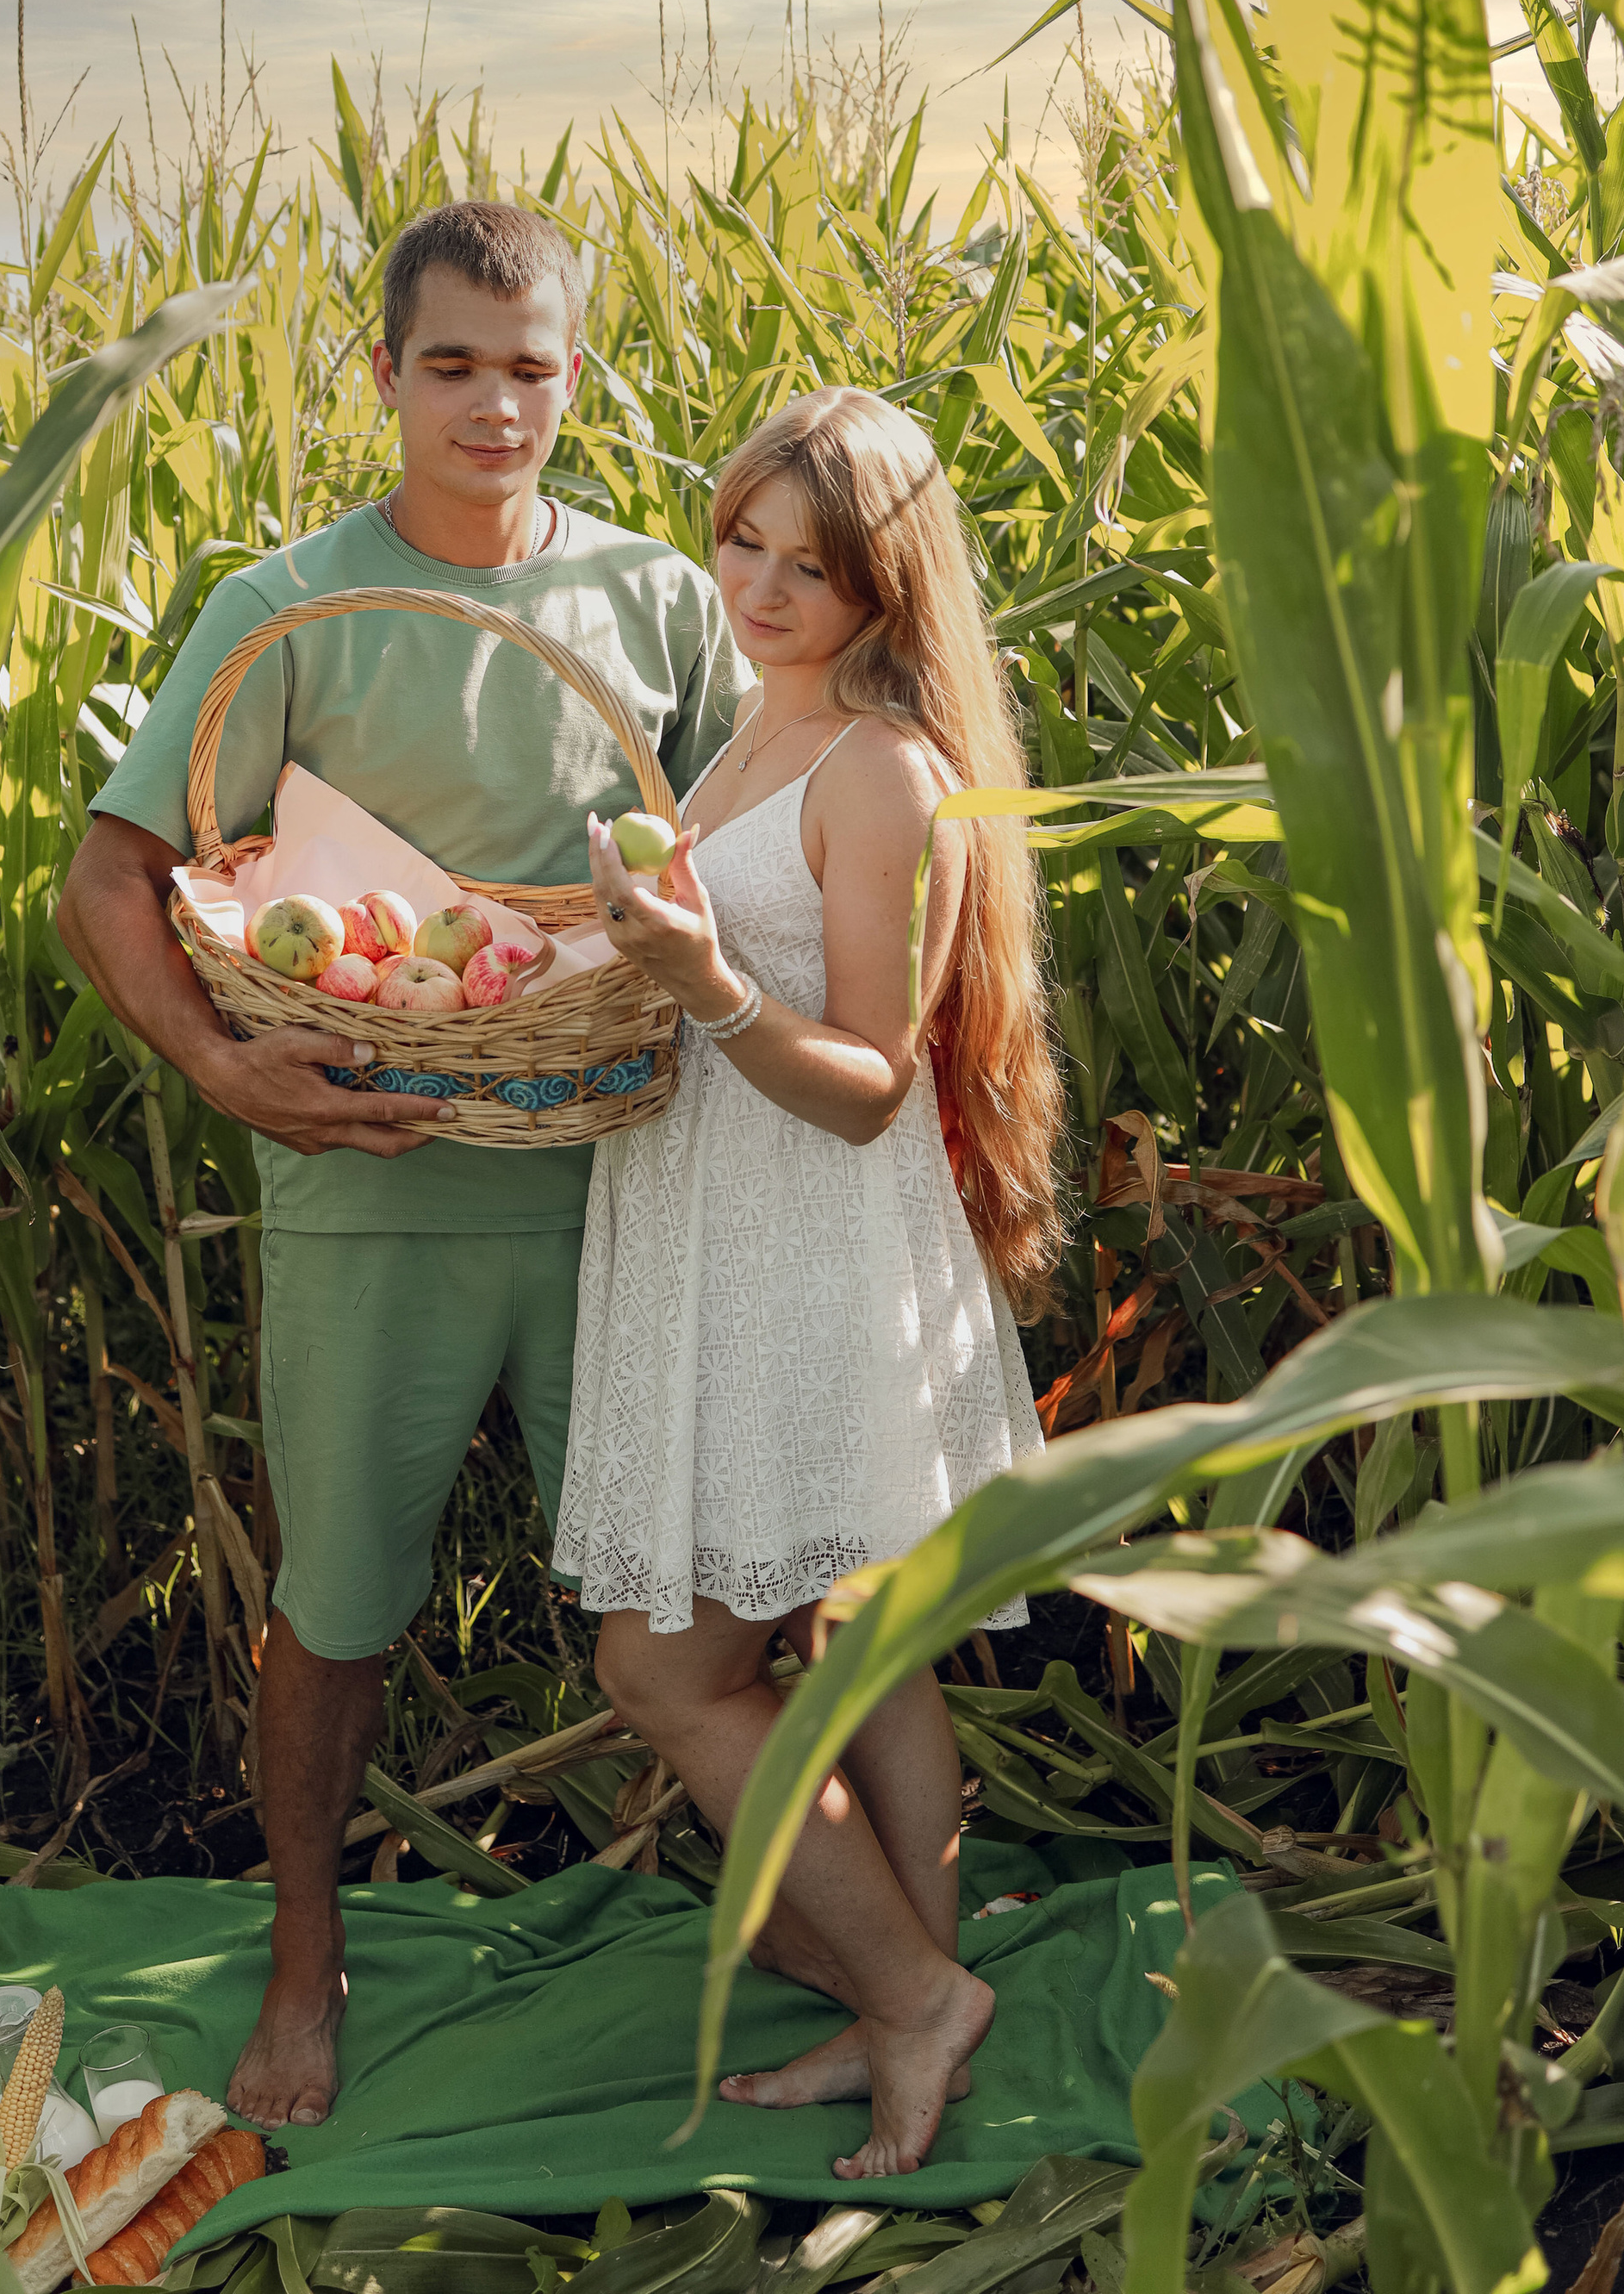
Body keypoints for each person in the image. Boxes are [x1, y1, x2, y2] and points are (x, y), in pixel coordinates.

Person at [56, 201, 745, 2130]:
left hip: (627, 1185)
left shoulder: (659, 604)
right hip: (369, 1182)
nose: (492, 406)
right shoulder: (284, 606)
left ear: (573, 377)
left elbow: (752, 855)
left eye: (528, 369)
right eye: (451, 366)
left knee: (692, 1600)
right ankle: (308, 1961)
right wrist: (223, 1068)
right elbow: (108, 877)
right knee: (339, 1604)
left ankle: (786, 1918)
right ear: (384, 376)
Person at [554, 386, 1063, 2184]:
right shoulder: (752, 736)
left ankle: (915, 2000)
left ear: (883, 588)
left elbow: (867, 1082)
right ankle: (898, 2004)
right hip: (717, 1226)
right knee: (861, 1649)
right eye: (741, 542)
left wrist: (699, 980)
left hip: (810, 1248)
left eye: (810, 567)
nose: (760, 590)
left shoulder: (879, 770)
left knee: (662, 1670)